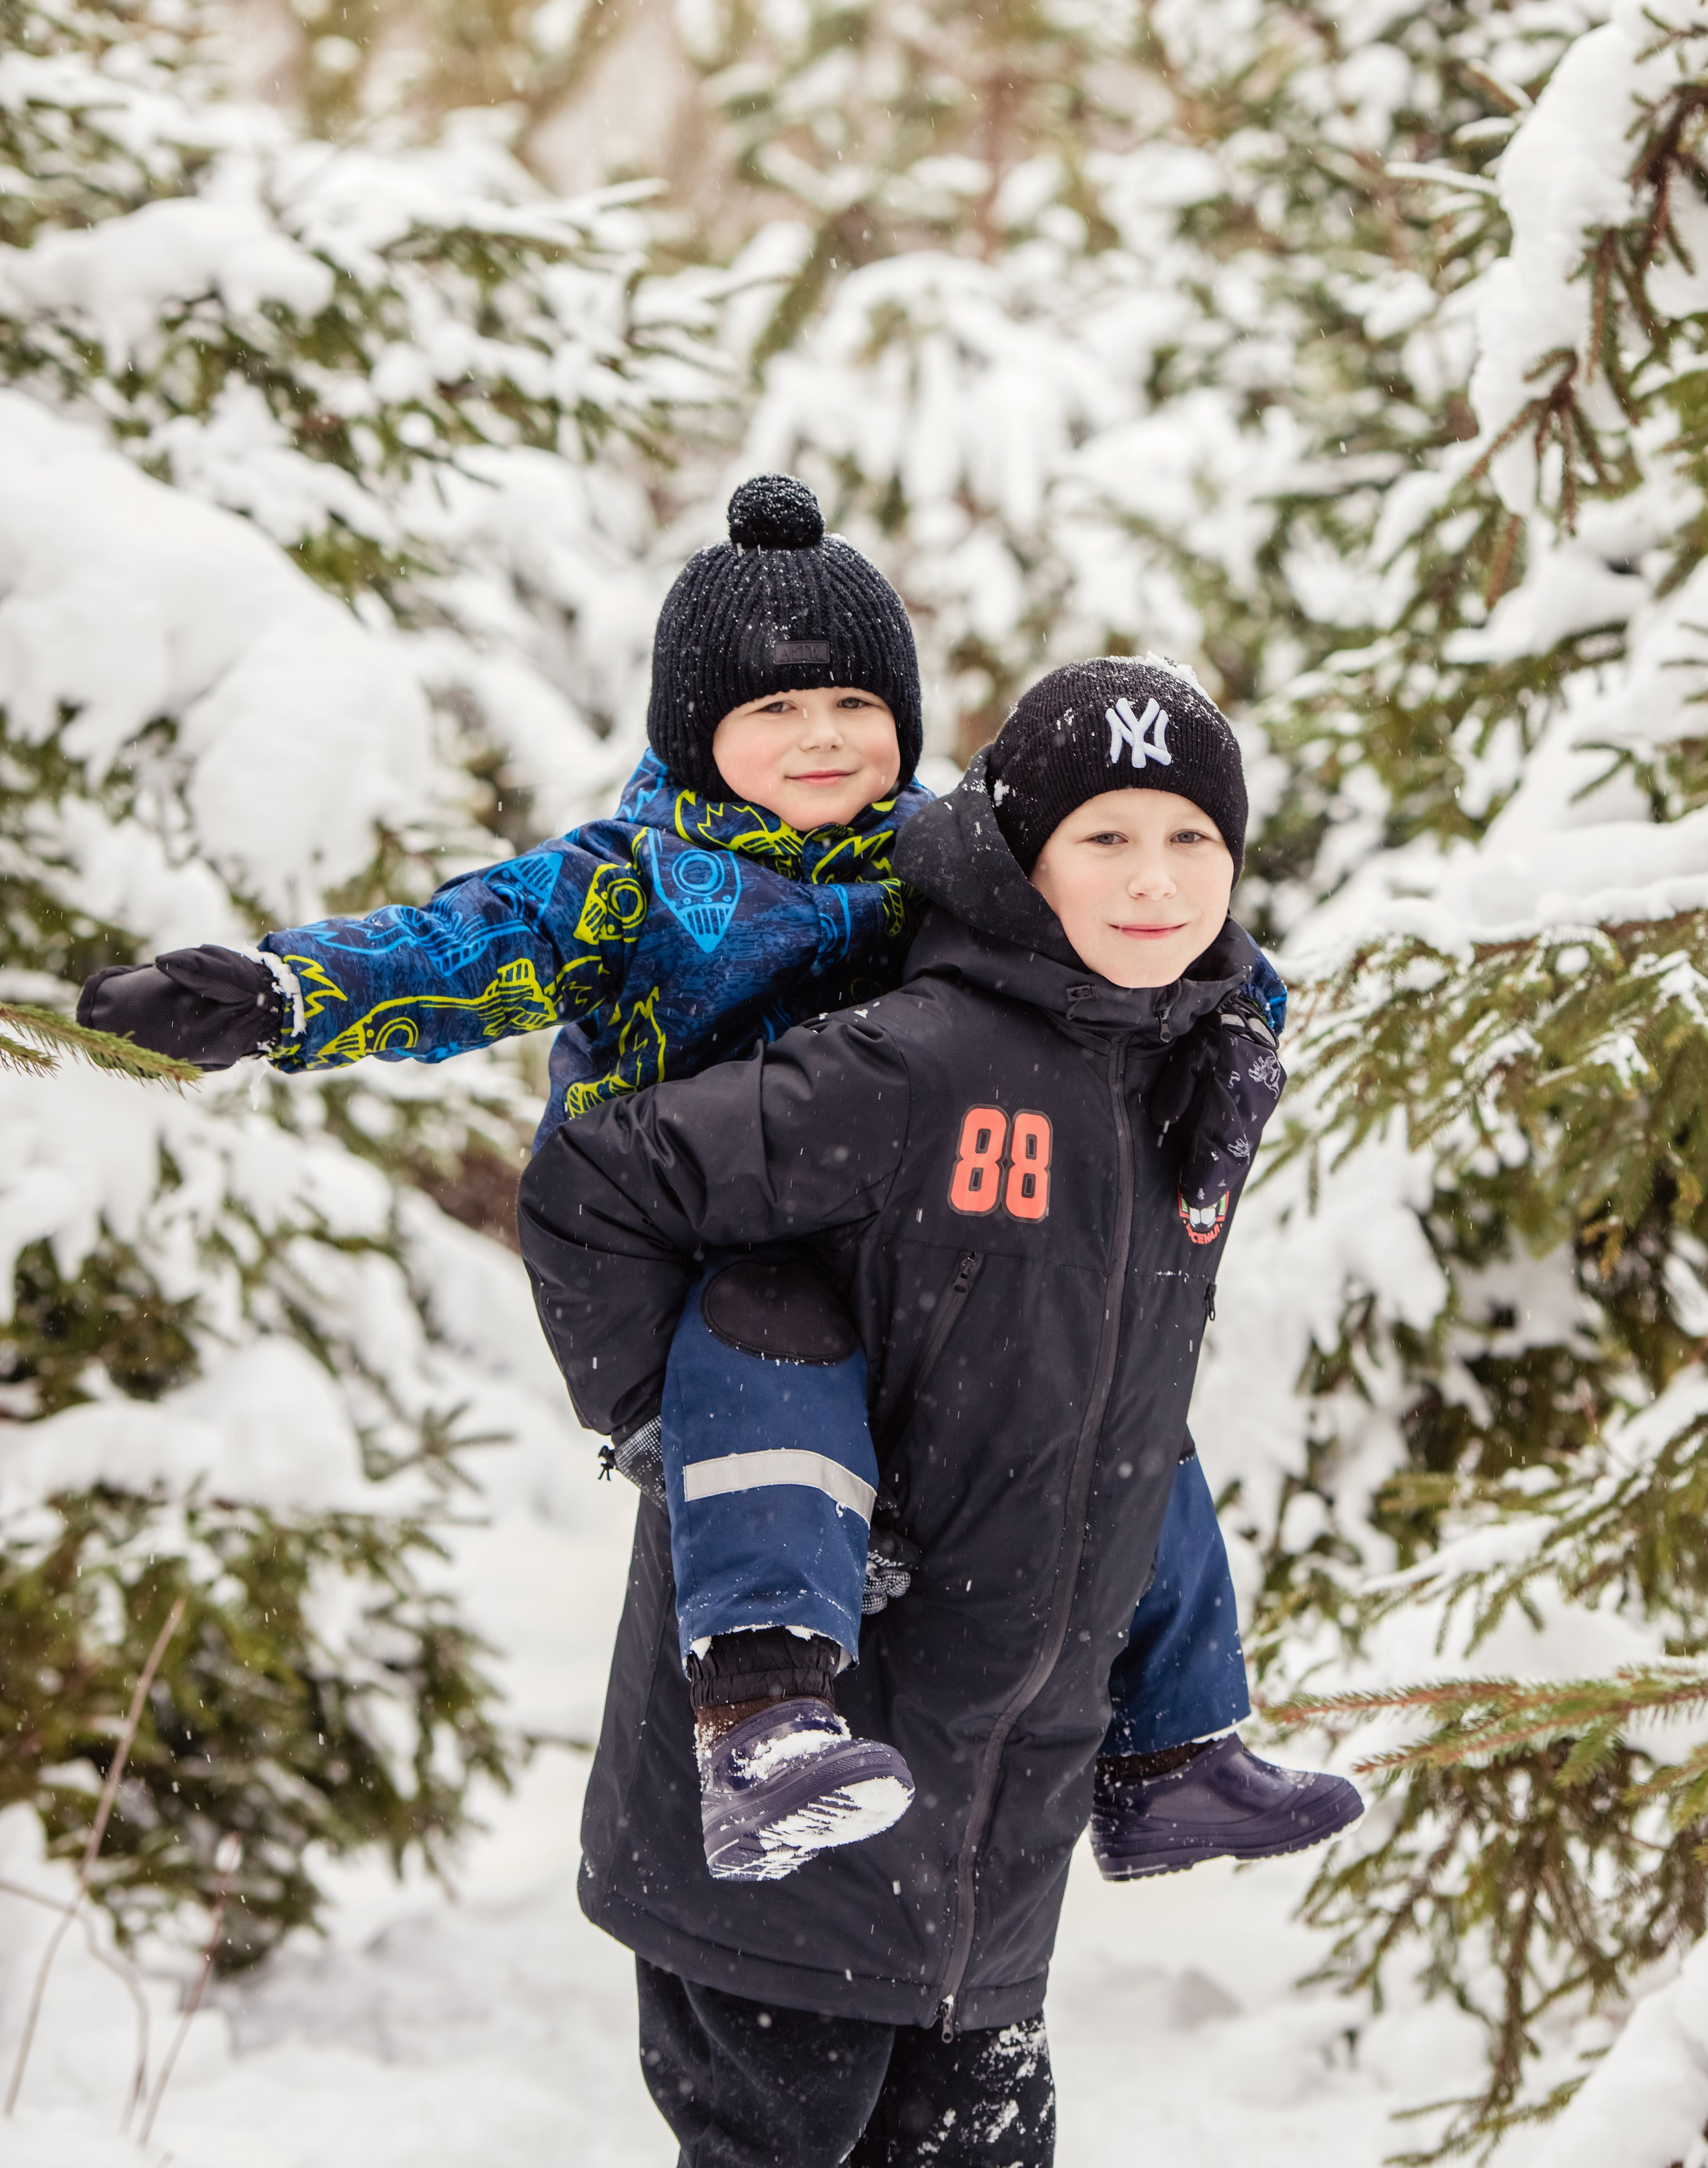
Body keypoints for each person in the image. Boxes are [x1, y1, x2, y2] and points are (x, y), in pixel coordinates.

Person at [77, 481, 1353, 1892]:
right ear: (698, 735)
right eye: (773, 713)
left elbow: (1146, 918)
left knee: (1108, 1408)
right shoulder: (631, 880)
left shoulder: (938, 860)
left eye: (854, 708)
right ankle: (758, 1723)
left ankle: (1171, 1752)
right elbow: (455, 946)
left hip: (906, 1243)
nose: (821, 739)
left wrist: (1238, 1028)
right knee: (775, 1339)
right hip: (689, 1254)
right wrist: (280, 994)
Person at [516, 655, 1362, 2168]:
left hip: (998, 1836)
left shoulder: (1183, 1068)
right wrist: (662, 1430)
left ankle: (1177, 1754)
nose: (1153, 878)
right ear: (1022, 854)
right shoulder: (921, 1059)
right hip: (790, 1798)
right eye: (1104, 838)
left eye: (1190, 840)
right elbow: (597, 1181)